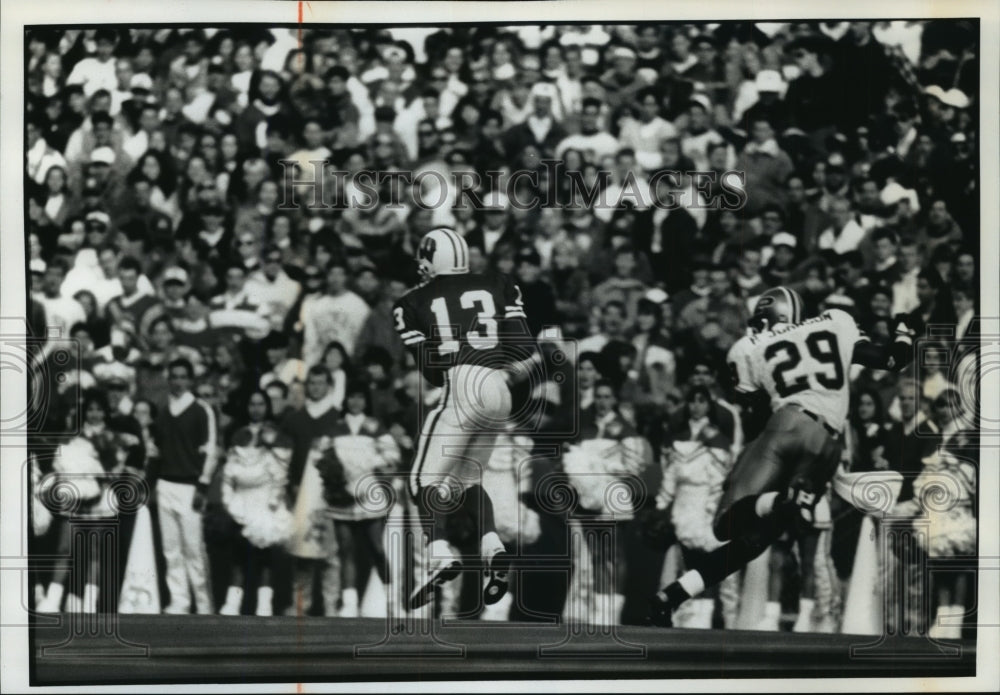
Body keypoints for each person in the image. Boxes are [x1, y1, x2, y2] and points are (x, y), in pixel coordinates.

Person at [649, 286, 916, 626]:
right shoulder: (835, 321)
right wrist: (904, 331)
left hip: (785, 426)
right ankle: (671, 597)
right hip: (828, 445)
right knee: (755, 542)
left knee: (725, 526)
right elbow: (892, 360)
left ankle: (776, 500)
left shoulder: (747, 347)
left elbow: (757, 417)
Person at [392, 227, 533, 609]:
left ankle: (441, 553)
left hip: (461, 380)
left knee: (423, 479)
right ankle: (493, 548)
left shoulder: (410, 303)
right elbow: (523, 347)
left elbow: (433, 372)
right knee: (469, 478)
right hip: (498, 386)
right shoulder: (499, 283)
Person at [148, 358, 219, 615]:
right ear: (169, 380)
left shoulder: (202, 410)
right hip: (166, 485)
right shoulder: (163, 410)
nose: (178, 381)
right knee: (171, 550)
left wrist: (202, 485)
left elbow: (211, 452)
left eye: (182, 377)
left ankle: (203, 604)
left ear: (190, 380)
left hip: (190, 489)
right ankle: (179, 601)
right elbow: (155, 451)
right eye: (174, 376)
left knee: (194, 550)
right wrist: (151, 483)